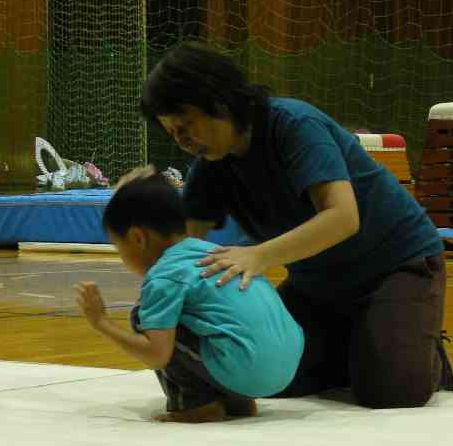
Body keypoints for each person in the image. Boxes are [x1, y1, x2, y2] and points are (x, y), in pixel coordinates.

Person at [140, 43, 453, 409]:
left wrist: (258, 256)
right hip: (317, 285)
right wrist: (136, 207)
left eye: (185, 126)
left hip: (396, 266)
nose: (180, 140)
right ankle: (361, 342)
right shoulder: (210, 165)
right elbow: (180, 250)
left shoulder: (294, 125)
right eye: (172, 133)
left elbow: (343, 217)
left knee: (392, 390)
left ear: (218, 102)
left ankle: (413, 347)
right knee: (266, 376)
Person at [74, 169, 304, 423]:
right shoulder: (218, 252)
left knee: (143, 317)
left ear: (137, 238)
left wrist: (102, 323)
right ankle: (237, 400)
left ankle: (196, 405)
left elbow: (156, 354)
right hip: (287, 370)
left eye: (119, 248)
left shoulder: (164, 275)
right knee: (202, 320)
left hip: (246, 371)